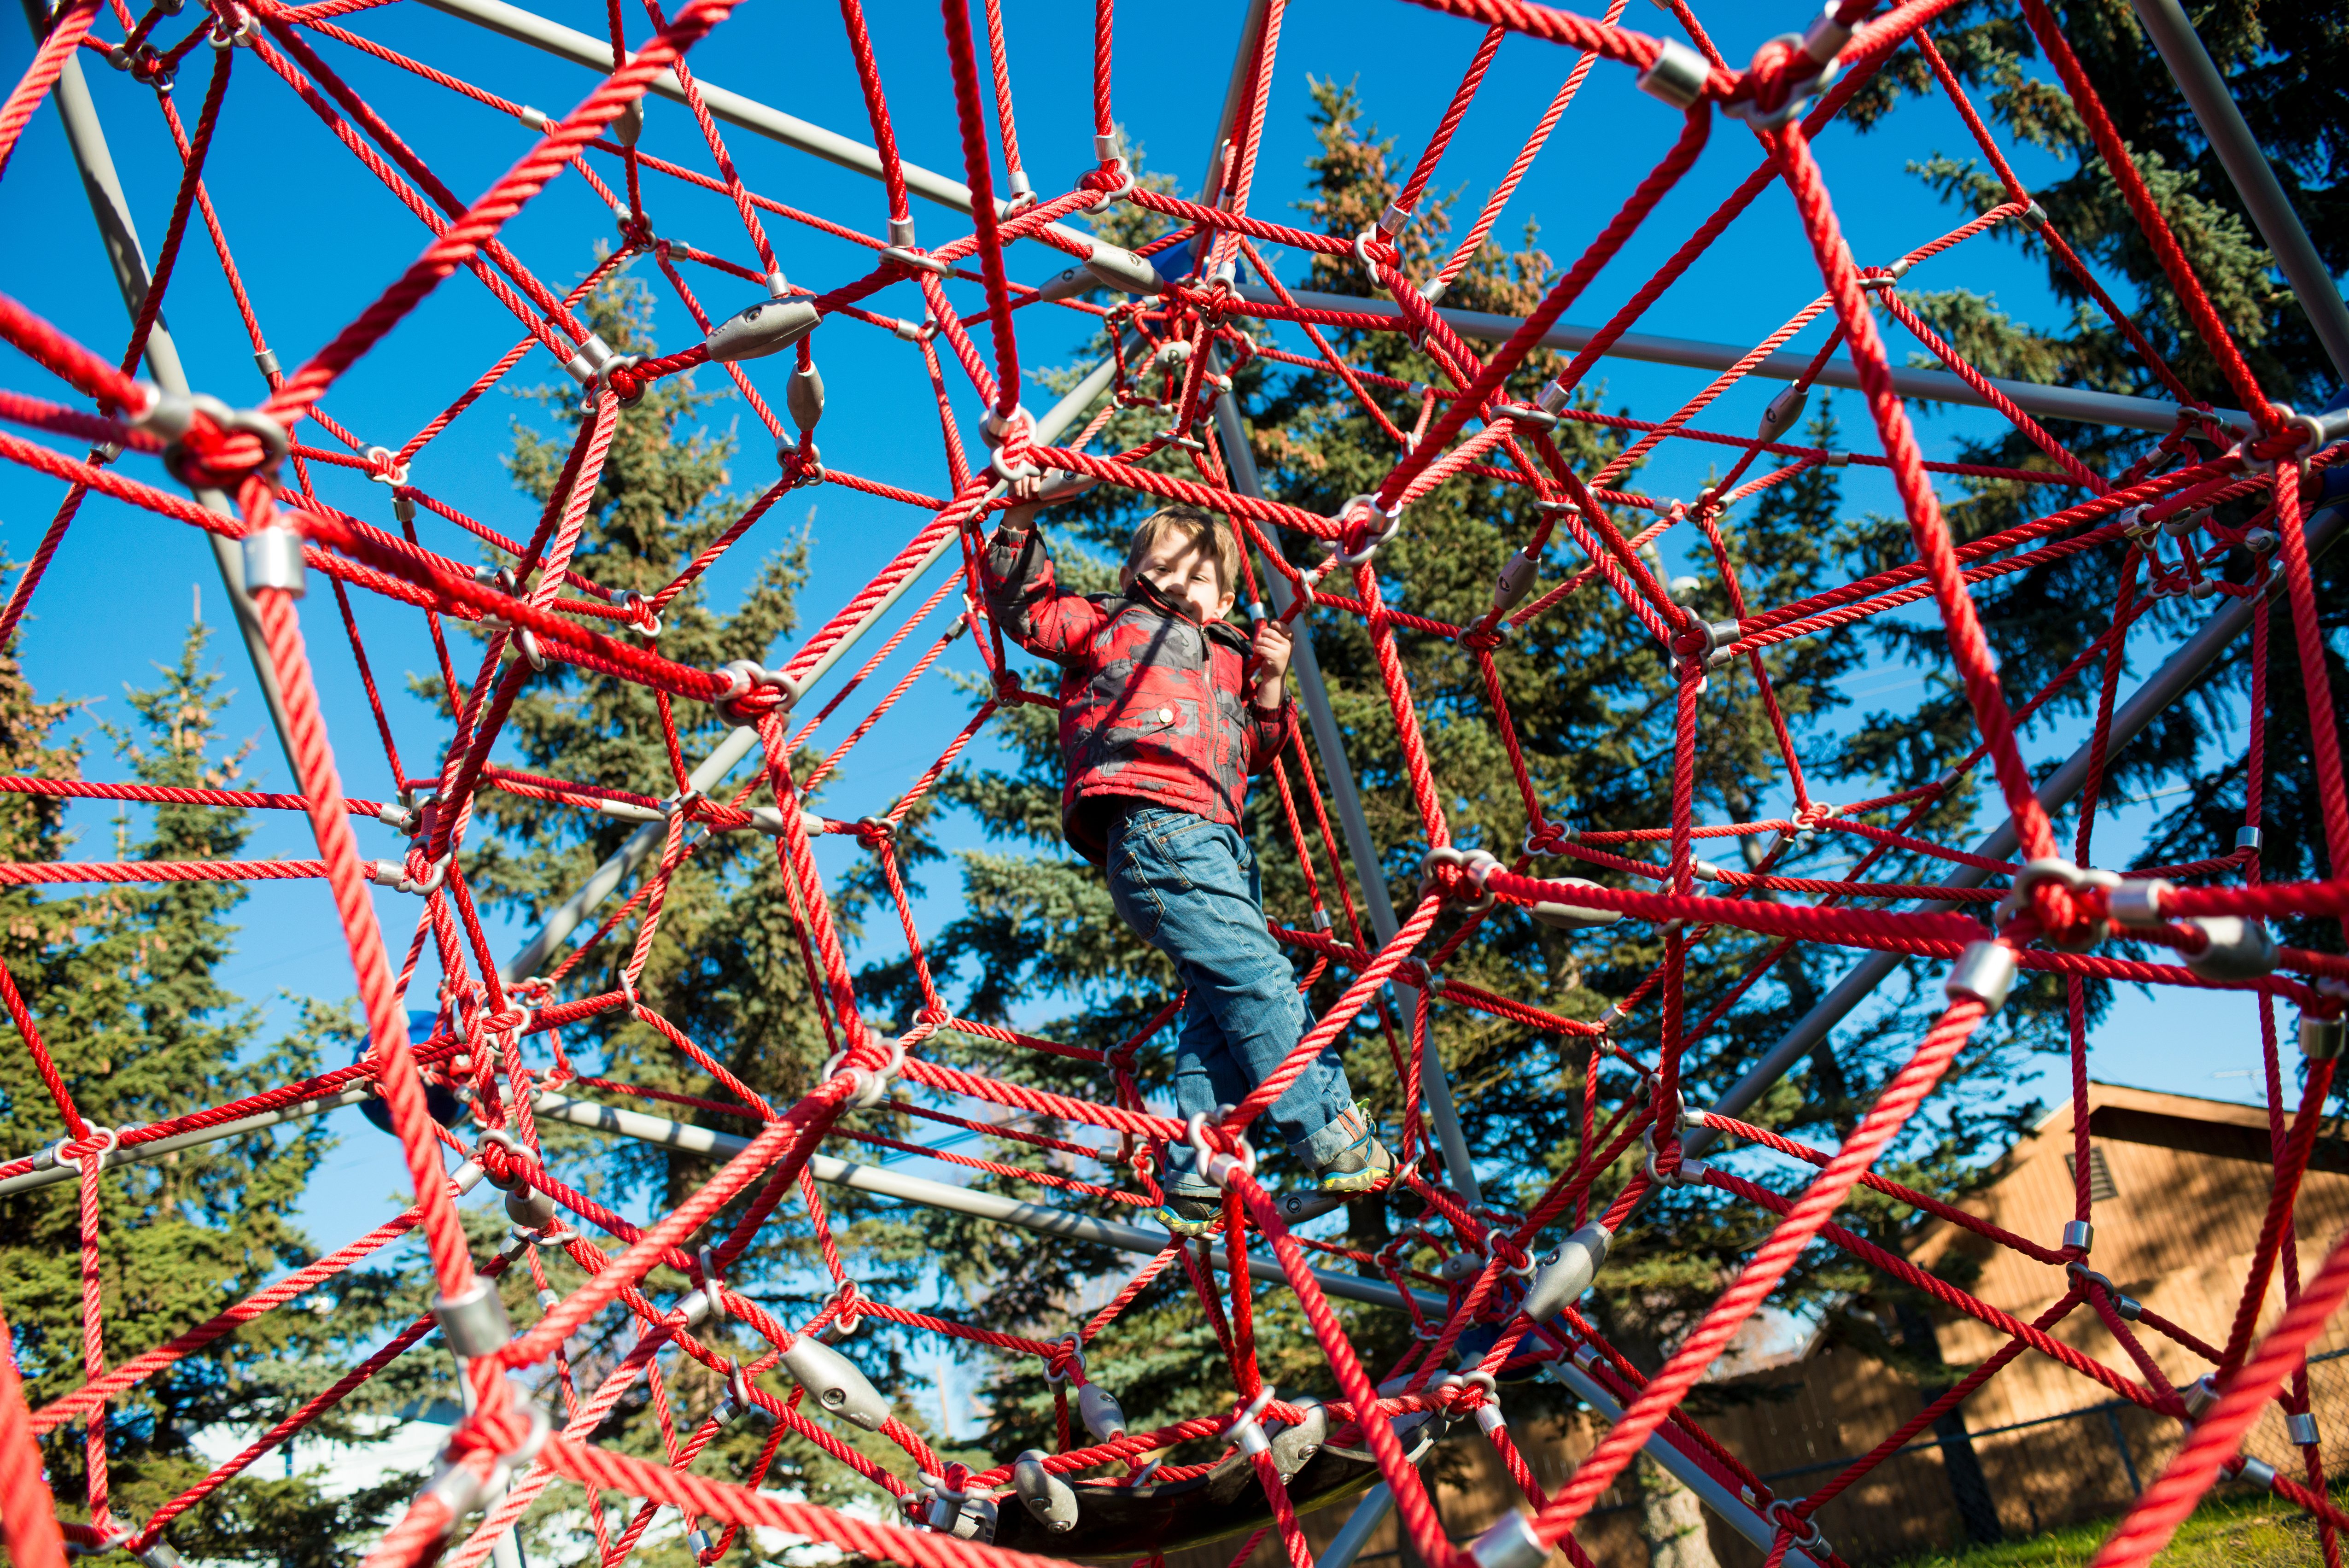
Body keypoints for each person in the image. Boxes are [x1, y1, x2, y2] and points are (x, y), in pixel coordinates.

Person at [978, 474, 1394, 1235]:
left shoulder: (1233, 657)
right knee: (1259, 978)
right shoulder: (1113, 624)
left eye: (1198, 575)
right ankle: (1326, 1128)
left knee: (1217, 1005)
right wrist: (1023, 515)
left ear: (1227, 602)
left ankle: (1197, 1166)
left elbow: (1260, 749)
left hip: (1215, 840)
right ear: (1134, 574)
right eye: (1163, 566)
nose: (1177, 581)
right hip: (1153, 827)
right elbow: (1026, 611)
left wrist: (1271, 681)